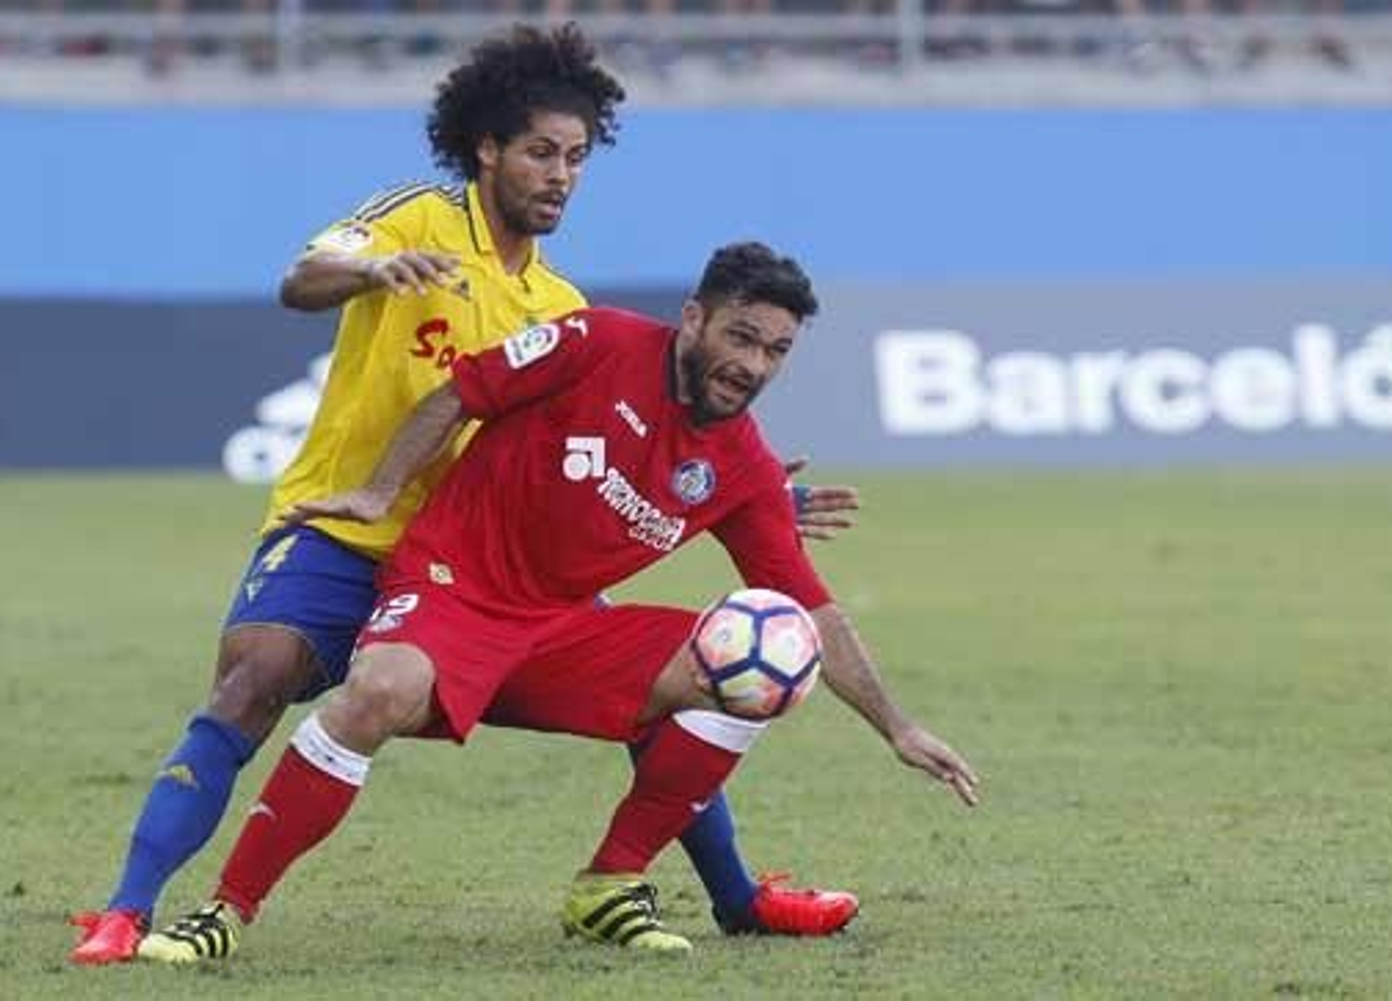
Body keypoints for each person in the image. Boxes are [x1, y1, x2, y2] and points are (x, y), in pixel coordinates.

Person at [68, 25, 860, 966]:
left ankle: (735, 898)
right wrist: (371, 270)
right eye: (540, 152)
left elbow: (604, 459)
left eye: (575, 158)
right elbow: (301, 277)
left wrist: (741, 494)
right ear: (486, 146)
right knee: (253, 682)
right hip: (348, 527)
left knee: (679, 683)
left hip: (486, 566)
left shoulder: (561, 305)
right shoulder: (417, 219)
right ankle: (126, 909)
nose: (561, 175)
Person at [137, 242, 981, 959]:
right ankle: (226, 910)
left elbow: (817, 610)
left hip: (562, 629)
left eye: (775, 351)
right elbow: (460, 391)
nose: (752, 364)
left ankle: (610, 882)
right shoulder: (600, 340)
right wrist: (375, 491)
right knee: (378, 693)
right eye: (741, 336)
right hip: (452, 588)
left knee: (765, 661)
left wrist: (899, 727)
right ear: (695, 318)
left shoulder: (744, 467)